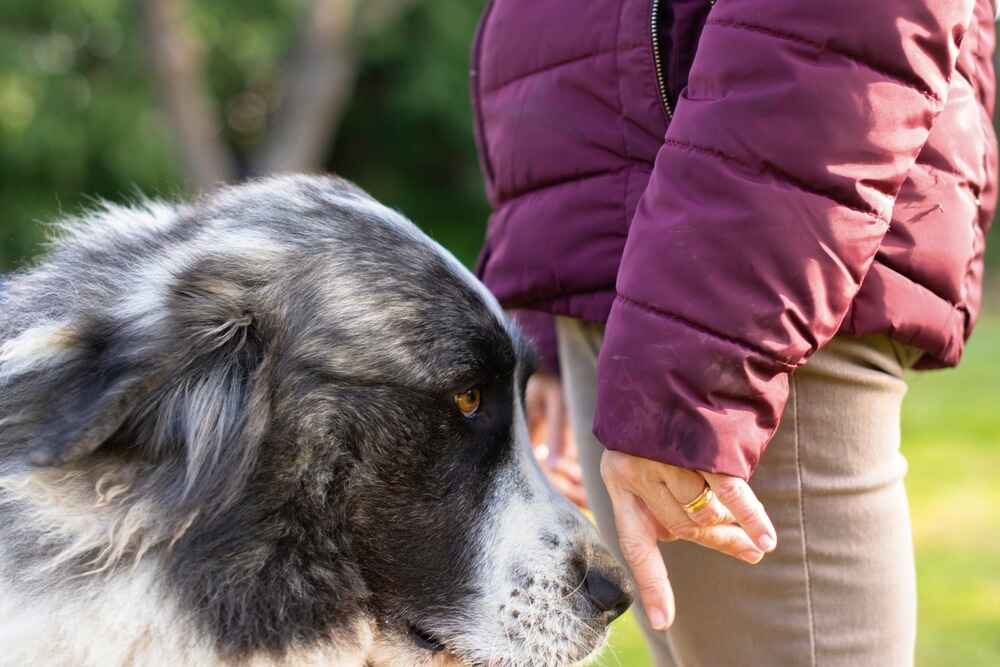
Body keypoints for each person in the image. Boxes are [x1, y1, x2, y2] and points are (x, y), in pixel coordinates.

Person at [470, 1, 997, 665]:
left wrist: (701, 358)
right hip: (633, 270)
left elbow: (837, 33)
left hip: (749, 294)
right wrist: (548, 305)